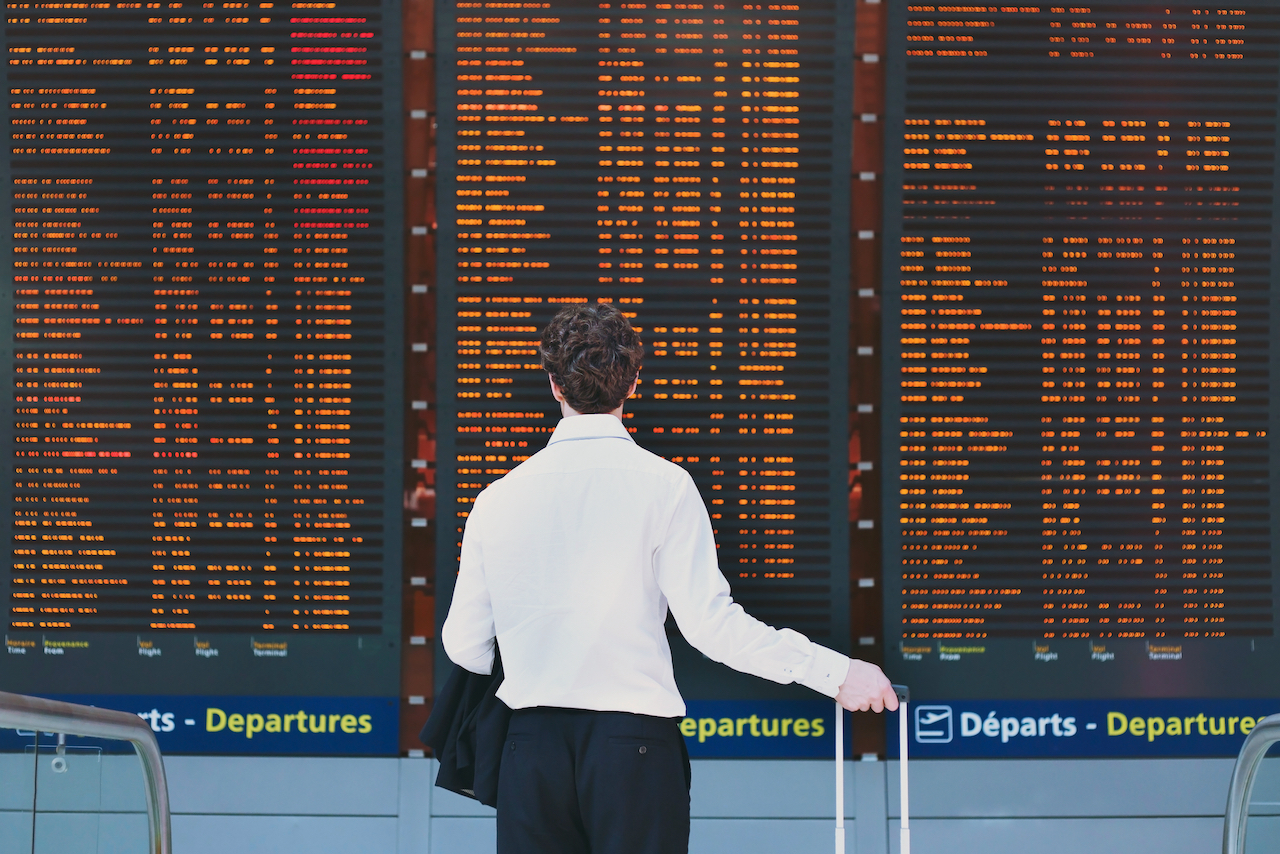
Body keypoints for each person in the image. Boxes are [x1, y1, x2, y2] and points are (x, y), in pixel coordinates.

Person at [441, 302, 898, 854]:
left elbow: (463, 645)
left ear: (554, 384)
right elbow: (711, 627)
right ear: (633, 383)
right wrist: (834, 673)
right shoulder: (666, 486)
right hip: (632, 749)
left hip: (530, 750)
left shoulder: (497, 498)